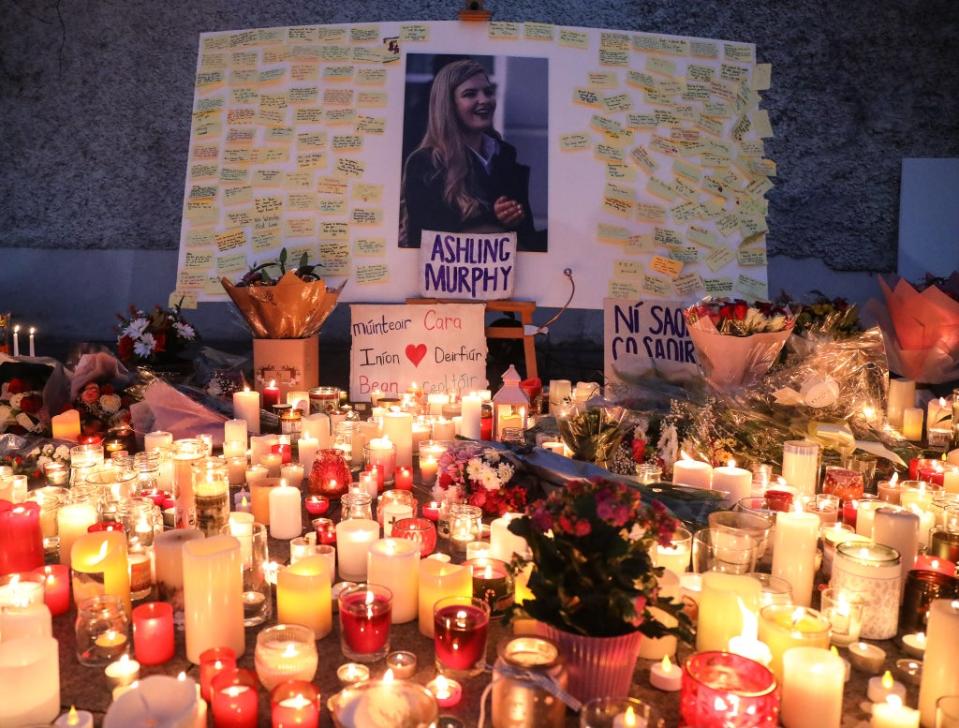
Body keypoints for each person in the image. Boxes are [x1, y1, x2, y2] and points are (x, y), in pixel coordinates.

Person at [400, 59, 544, 251]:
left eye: (488, 92)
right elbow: (426, 243)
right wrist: (493, 218)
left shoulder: (505, 156)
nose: (484, 100)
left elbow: (526, 237)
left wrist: (514, 220)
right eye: (470, 94)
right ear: (448, 105)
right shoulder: (425, 163)